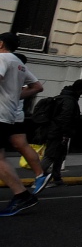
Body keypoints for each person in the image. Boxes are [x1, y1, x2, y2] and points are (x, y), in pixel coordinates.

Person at [0, 33, 44, 216]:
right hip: (7, 114)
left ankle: (21, 195)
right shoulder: (18, 63)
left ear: (1, 43)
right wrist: (14, 96)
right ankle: (22, 195)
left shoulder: (2, 58)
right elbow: (37, 87)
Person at [7, 53, 50, 193]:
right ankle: (40, 175)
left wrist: (13, 97)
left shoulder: (10, 68)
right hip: (17, 115)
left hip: (6, 114)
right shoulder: (24, 71)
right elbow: (38, 87)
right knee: (21, 144)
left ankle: (22, 190)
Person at [38, 79, 82, 186]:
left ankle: (57, 179)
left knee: (59, 155)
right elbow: (65, 118)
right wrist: (65, 133)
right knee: (51, 155)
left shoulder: (63, 97)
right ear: (81, 90)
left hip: (55, 130)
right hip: (59, 133)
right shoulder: (70, 100)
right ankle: (39, 177)